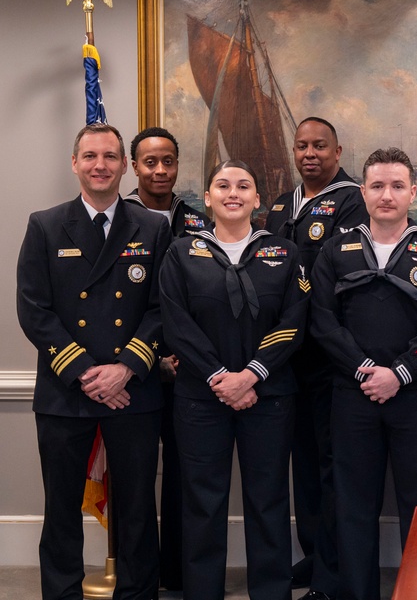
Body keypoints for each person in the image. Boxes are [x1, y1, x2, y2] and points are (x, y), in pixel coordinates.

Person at [16, 123, 171, 600]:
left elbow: (164, 307)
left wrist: (126, 367)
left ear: (124, 165)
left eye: (109, 157)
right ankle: (62, 593)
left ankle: (137, 594)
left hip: (134, 391)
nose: (99, 165)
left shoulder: (152, 226)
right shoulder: (45, 224)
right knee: (61, 508)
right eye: (90, 156)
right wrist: (85, 371)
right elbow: (33, 308)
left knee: (137, 509)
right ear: (75, 163)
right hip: (67, 392)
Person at [310, 147, 417, 600]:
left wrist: (398, 373)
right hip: (352, 396)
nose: (387, 195)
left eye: (397, 186)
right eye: (377, 185)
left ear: (413, 192)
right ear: (363, 192)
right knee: (353, 506)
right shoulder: (335, 251)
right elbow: (322, 321)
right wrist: (363, 370)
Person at [160, 160, 308, 600]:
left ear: (257, 199)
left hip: (269, 396)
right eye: (222, 185)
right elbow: (177, 324)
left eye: (244, 185)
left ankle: (272, 592)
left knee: (268, 501)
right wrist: (220, 377)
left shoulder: (283, 253)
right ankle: (202, 592)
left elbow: (293, 321)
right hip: (200, 399)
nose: (233, 193)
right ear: (207, 197)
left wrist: (251, 375)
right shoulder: (181, 253)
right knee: (203, 504)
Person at [264, 117, 367, 598]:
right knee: (302, 465)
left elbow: (333, 271)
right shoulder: (282, 204)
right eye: (302, 145)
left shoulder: (352, 199)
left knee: (331, 467)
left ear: (338, 151)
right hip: (288, 357)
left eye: (320, 146)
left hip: (329, 356)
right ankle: (312, 553)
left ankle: (332, 572)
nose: (310, 154)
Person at [124, 126, 210, 591]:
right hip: (132, 373)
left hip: (188, 374)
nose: (160, 170)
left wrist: (188, 358)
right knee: (135, 480)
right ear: (133, 166)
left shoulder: (197, 222)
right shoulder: (118, 218)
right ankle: (140, 575)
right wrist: (148, 360)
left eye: (168, 161)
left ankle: (177, 571)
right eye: (150, 162)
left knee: (185, 476)